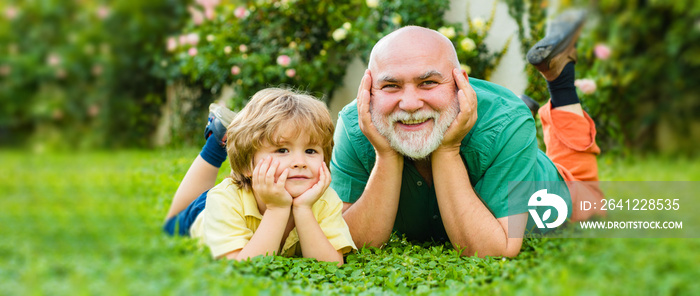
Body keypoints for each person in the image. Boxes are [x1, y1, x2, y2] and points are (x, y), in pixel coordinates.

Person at [330, 10, 604, 257]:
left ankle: (562, 84)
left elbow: (494, 250)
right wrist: (385, 153)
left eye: (428, 83)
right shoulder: (356, 124)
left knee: (592, 197)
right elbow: (349, 241)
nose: (410, 103)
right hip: (486, 120)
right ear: (369, 88)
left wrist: (448, 149)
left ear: (459, 82)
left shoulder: (507, 122)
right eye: (391, 85)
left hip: (548, 188)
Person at [163, 88, 356, 265]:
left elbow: (331, 265)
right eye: (282, 150)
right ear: (248, 165)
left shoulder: (324, 200)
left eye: (311, 151)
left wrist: (303, 209)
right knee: (171, 226)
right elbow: (242, 268)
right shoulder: (223, 201)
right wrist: (277, 209)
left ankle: (234, 137)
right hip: (208, 211)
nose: (300, 162)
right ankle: (217, 141)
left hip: (249, 189)